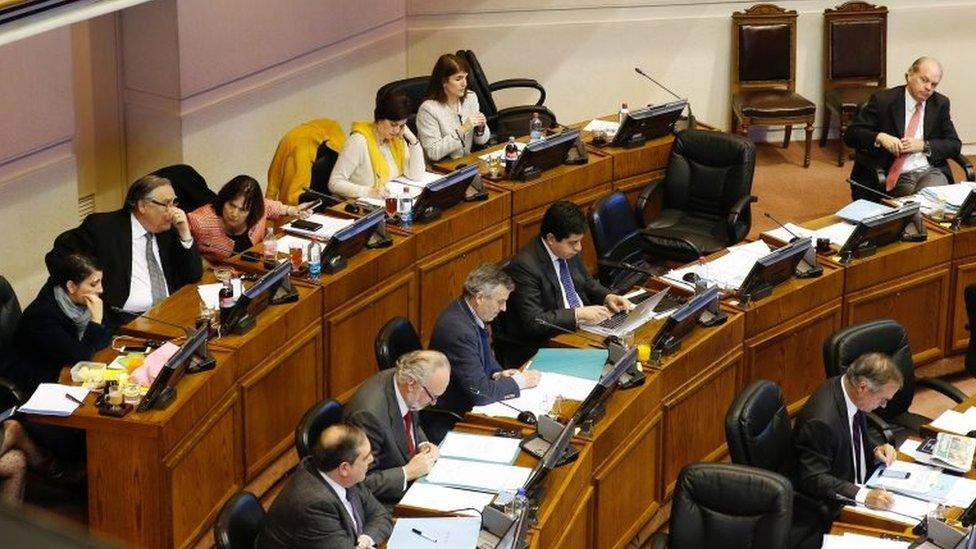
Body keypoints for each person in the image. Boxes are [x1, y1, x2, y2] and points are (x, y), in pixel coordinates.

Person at [45, 174, 202, 326]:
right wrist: (88, 292)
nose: (174, 211)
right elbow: (57, 258)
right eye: (166, 204)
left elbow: (193, 275)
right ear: (142, 206)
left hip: (170, 311)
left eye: (174, 203)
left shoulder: (169, 229)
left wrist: (185, 233)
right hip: (124, 320)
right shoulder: (103, 228)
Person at [498, 201, 633, 367]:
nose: (579, 248)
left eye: (579, 241)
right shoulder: (524, 267)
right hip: (550, 342)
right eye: (573, 242)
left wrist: (607, 296)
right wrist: (578, 314)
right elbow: (534, 322)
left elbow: (587, 283)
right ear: (551, 238)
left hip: (585, 329)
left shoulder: (567, 250)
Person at [426, 263, 542, 443]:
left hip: (470, 401)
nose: (504, 309)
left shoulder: (469, 313)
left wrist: (498, 373)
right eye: (500, 301)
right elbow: (480, 393)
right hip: (454, 416)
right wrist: (520, 381)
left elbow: (484, 357)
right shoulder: (458, 330)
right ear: (479, 297)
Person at [793, 352, 901, 519]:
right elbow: (813, 477)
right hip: (834, 505)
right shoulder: (821, 422)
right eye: (882, 399)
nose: (884, 406)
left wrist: (875, 449)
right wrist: (863, 496)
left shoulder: (848, 391)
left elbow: (852, 435)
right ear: (863, 387)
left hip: (863, 482)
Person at [257, 423, 392, 549]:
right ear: (344, 468)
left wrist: (366, 540)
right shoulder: (313, 504)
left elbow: (380, 514)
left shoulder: (344, 475)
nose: (371, 460)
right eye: (366, 457)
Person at [343, 350, 449, 506]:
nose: (434, 403)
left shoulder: (403, 384)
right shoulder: (368, 416)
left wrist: (423, 445)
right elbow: (360, 483)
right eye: (433, 397)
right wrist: (408, 472)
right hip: (385, 503)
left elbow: (412, 422)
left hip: (414, 482)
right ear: (412, 384)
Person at [845, 56, 962, 197]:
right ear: (909, 75)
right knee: (916, 207)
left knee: (928, 199)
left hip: (929, 171)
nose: (928, 88)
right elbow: (851, 134)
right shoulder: (884, 101)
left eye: (934, 84)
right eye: (924, 80)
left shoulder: (940, 104)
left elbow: (954, 144)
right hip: (896, 174)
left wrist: (923, 146)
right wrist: (880, 137)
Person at [4, 253, 112, 396]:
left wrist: (91, 339)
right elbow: (79, 356)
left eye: (100, 282)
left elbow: (107, 335)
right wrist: (96, 322)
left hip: (67, 367)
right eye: (93, 284)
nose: (100, 289)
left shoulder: (82, 302)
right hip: (37, 379)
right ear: (71, 286)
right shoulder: (43, 315)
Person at [188, 175, 315, 263]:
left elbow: (273, 207)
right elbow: (182, 250)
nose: (234, 213)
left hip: (251, 270)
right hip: (216, 279)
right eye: (231, 205)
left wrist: (294, 210)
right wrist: (208, 267)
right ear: (223, 200)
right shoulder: (199, 222)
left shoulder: (260, 210)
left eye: (243, 210)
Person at [328, 91, 425, 199]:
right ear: (379, 119)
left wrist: (413, 140)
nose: (397, 130)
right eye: (393, 124)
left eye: (402, 125)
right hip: (359, 205)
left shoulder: (397, 139)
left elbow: (416, 175)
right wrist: (368, 192)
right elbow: (334, 183)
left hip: (387, 201)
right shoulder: (358, 141)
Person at [415, 53, 490, 162]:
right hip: (441, 169)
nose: (464, 83)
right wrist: (462, 130)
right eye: (458, 79)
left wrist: (480, 129)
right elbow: (433, 153)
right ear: (444, 81)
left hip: (466, 163)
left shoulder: (471, 98)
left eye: (465, 77)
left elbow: (481, 141)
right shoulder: (428, 109)